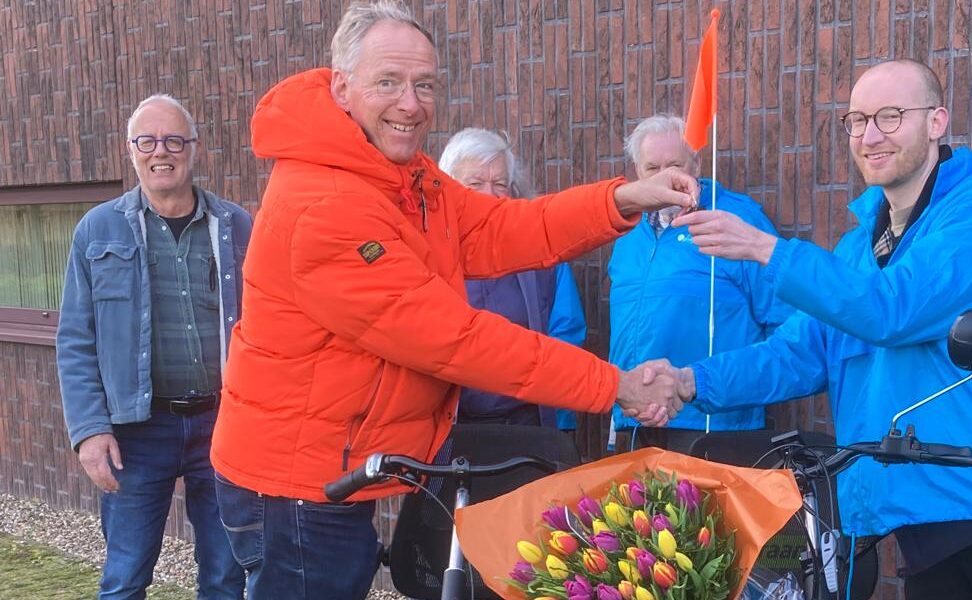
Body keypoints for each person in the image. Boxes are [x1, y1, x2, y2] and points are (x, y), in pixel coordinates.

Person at [208, 2, 693, 597]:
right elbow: (453, 339)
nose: (411, 104)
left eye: (424, 85)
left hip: (331, 467)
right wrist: (612, 385)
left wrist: (621, 200)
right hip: (295, 484)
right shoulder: (326, 205)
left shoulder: (401, 175)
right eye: (388, 82)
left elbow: (504, 227)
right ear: (341, 87)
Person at [663, 59, 972, 599]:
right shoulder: (857, 249)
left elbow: (896, 309)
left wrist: (764, 249)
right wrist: (688, 382)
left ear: (937, 122)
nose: (870, 135)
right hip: (922, 523)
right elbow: (798, 353)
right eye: (857, 120)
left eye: (890, 117)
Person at [56, 94, 248, 599]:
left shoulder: (237, 228)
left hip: (224, 425)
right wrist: (89, 430)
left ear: (194, 148)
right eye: (147, 141)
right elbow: (75, 339)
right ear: (131, 150)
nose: (160, 151)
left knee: (228, 575)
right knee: (125, 577)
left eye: (173, 140)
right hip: (136, 431)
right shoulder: (98, 230)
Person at [608, 114, 794, 452]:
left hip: (713, 425)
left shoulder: (735, 219)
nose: (666, 176)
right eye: (652, 168)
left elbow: (783, 319)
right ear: (637, 171)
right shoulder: (627, 235)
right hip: (637, 422)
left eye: (675, 164)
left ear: (696, 164)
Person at [438, 127, 587, 429]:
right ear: (449, 187)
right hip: (450, 429)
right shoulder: (429, 254)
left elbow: (566, 332)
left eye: (499, 184)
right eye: (475, 183)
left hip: (529, 422)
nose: (488, 194)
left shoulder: (541, 252)